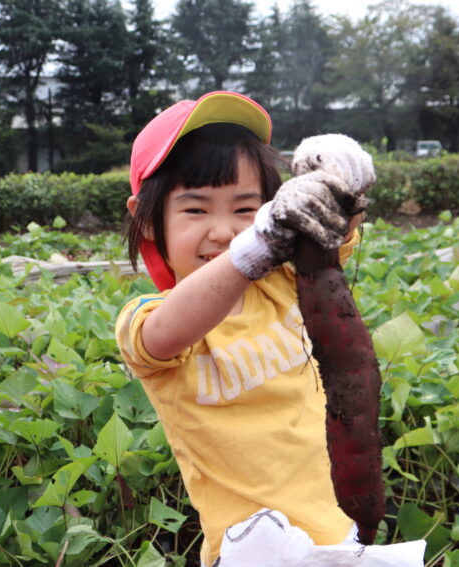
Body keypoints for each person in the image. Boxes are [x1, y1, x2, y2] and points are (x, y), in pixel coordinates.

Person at [115, 91, 374, 566]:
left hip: (339, 535)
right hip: (251, 552)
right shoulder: (150, 320)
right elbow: (166, 334)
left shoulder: (284, 281)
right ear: (147, 220)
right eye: (195, 210)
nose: (223, 231)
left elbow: (338, 227)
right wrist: (258, 242)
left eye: (243, 209)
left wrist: (342, 181)